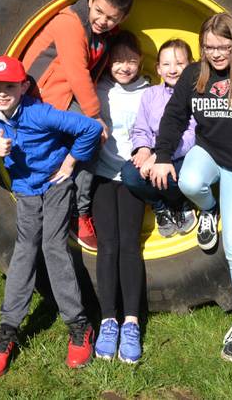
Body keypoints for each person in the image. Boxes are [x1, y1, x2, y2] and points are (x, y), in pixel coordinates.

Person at [150, 12, 232, 362]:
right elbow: (174, 117)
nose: (216, 54)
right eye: (208, 47)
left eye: (222, 46)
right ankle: (207, 208)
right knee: (189, 180)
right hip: (207, 151)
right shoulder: (193, 73)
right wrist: (161, 154)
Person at [0, 55, 102, 376]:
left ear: (23, 86)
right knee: (25, 249)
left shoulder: (39, 112)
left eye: (10, 86)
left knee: (52, 246)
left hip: (55, 184)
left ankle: (78, 324)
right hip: (27, 190)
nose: (2, 93)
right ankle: (7, 329)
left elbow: (89, 128)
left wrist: (70, 163)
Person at [22, 0, 134, 251]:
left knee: (93, 135)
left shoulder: (106, 35)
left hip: (67, 96)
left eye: (112, 18)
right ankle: (78, 213)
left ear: (122, 18)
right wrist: (94, 116)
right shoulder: (70, 23)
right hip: (42, 97)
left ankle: (73, 202)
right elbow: (76, 72)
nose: (103, 21)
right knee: (92, 132)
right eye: (99, 12)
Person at [90, 31, 150, 364]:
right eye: (117, 60)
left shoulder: (149, 93)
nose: (124, 66)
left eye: (130, 59)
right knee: (107, 244)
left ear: (140, 60)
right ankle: (108, 319)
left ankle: (131, 322)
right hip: (101, 175)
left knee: (129, 244)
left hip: (131, 175)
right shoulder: (97, 90)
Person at [121, 38, 198, 238]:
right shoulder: (150, 95)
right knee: (129, 174)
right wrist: (144, 149)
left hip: (181, 153)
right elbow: (141, 128)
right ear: (158, 69)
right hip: (153, 152)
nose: (173, 69)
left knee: (172, 177)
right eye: (166, 64)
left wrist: (160, 158)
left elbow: (191, 134)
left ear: (190, 66)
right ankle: (160, 207)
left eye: (180, 64)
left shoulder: (196, 95)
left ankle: (180, 203)